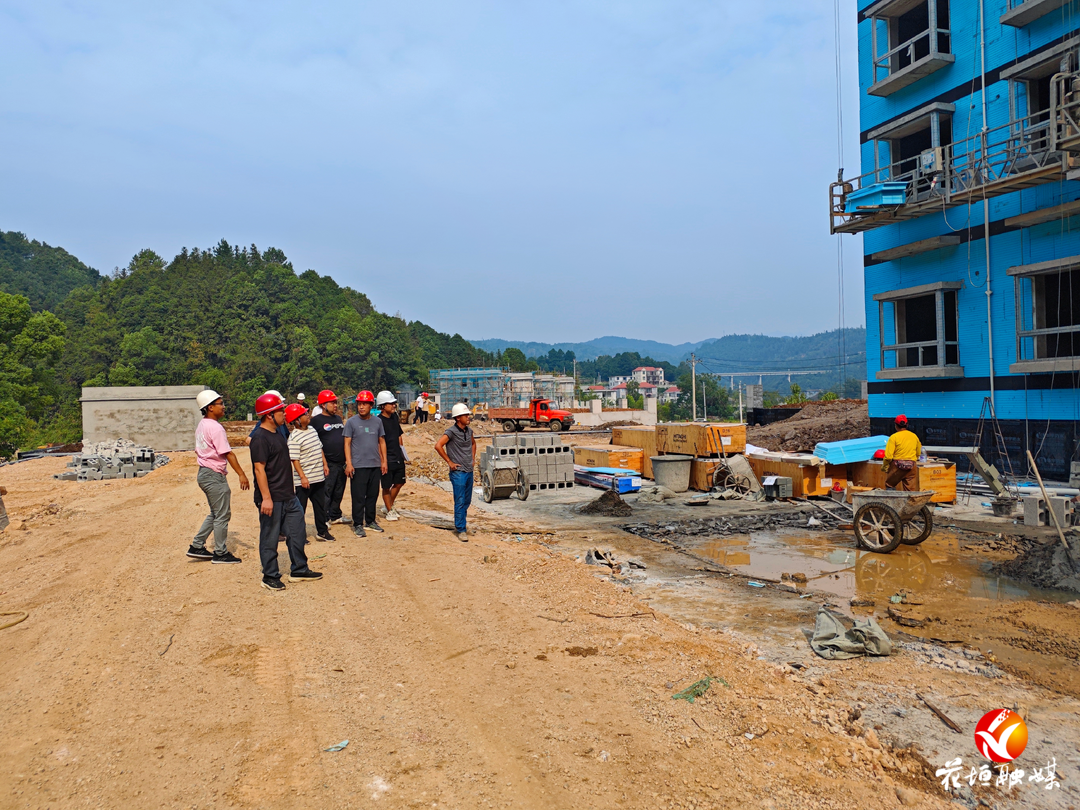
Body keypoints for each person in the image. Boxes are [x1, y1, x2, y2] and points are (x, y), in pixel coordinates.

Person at [249, 392, 322, 591]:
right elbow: (259, 469)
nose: (284, 413)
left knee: (297, 531)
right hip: (272, 497)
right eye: (280, 410)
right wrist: (266, 498)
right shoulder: (260, 438)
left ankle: (299, 568)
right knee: (270, 537)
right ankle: (270, 575)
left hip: (289, 495)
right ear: (269, 415)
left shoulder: (279, 433)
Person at [188, 389, 251, 563]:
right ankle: (221, 553)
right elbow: (228, 453)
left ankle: (197, 545)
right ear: (209, 408)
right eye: (220, 404)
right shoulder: (215, 428)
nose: (223, 407)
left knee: (216, 513)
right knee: (222, 515)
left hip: (204, 473)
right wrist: (242, 474)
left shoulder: (202, 425)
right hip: (213, 475)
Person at [286, 403, 334, 542]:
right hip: (304, 480)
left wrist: (324, 464)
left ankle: (322, 532)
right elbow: (295, 460)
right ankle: (300, 535)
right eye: (304, 414)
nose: (308, 415)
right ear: (297, 420)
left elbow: (319, 448)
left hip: (318, 477)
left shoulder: (312, 430)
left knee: (321, 506)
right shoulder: (294, 438)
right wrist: (302, 477)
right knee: (300, 509)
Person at [344, 390, 388, 537]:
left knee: (372, 495)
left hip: (374, 465)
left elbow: (381, 442)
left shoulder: (377, 422)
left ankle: (370, 521)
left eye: (364, 404)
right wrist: (349, 463)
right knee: (358, 496)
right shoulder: (351, 422)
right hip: (358, 465)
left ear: (371, 406)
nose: (361, 407)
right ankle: (357, 524)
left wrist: (384, 461)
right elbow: (347, 444)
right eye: (359, 404)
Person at [435, 403, 476, 541]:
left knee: (467, 500)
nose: (468, 417)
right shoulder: (451, 432)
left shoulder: (469, 431)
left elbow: (473, 443)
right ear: (458, 418)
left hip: (469, 471)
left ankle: (461, 524)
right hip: (458, 472)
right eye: (465, 415)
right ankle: (461, 529)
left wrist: (473, 459)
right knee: (459, 500)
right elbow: (438, 445)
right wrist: (450, 462)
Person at [310, 389, 349, 525]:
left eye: (336, 402)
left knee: (339, 490)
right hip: (328, 463)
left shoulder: (338, 419)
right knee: (327, 491)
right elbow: (314, 442)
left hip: (341, 462)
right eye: (332, 403)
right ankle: (324, 518)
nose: (335, 405)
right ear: (323, 405)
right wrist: (323, 463)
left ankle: (335, 515)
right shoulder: (316, 421)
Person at [376, 391, 407, 521]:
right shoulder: (378, 421)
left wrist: (402, 451)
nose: (394, 406)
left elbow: (399, 435)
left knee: (399, 482)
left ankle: (388, 505)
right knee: (386, 486)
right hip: (386, 458)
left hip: (397, 456)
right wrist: (383, 460)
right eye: (391, 403)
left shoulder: (394, 417)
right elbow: (378, 442)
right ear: (383, 406)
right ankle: (389, 510)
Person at [883, 414, 922, 491]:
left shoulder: (894, 437)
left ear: (896, 426)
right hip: (911, 466)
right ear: (907, 425)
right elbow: (918, 453)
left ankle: (892, 502)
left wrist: (884, 466)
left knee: (890, 485)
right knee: (910, 490)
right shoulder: (914, 436)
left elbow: (888, 457)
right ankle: (910, 503)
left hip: (897, 467)